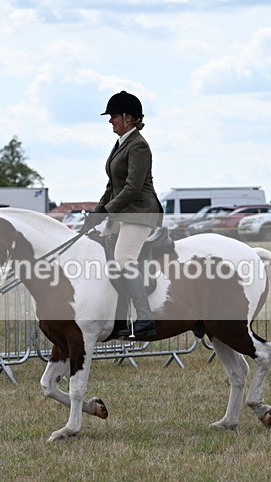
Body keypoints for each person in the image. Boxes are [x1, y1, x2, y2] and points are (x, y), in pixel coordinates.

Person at [80, 91, 164, 338]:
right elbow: (112, 187)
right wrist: (95, 214)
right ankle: (117, 318)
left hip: (140, 213)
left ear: (128, 117)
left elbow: (132, 188)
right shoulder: (120, 144)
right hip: (122, 213)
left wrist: (107, 211)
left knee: (124, 258)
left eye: (114, 116)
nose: (110, 121)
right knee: (99, 250)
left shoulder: (139, 145)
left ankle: (145, 318)